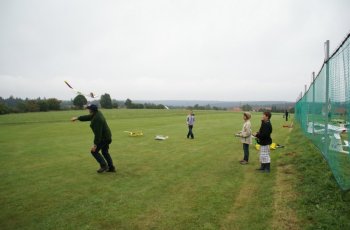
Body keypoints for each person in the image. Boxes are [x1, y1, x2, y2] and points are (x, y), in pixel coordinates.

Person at [71, 104, 116, 173]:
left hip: (103, 138)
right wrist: (77, 118)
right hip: (107, 136)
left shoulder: (97, 119)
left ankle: (104, 166)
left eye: (89, 109)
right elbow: (88, 117)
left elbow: (98, 134)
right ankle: (111, 167)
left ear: (91, 110)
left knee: (94, 151)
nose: (88, 110)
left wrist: (95, 145)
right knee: (105, 152)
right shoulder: (97, 113)